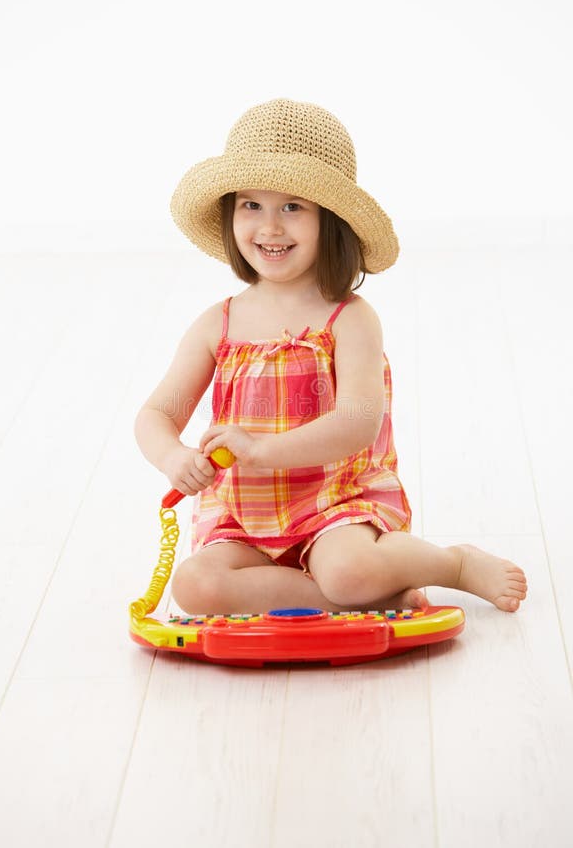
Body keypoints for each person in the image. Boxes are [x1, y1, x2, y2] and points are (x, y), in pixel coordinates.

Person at [134, 98, 528, 616]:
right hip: (243, 516)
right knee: (196, 586)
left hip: (333, 504)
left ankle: (449, 565)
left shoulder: (349, 319)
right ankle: (374, 597)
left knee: (348, 569)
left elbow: (357, 424)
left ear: (331, 220)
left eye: (292, 206)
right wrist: (173, 457)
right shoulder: (218, 324)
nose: (269, 227)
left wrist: (259, 451)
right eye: (251, 205)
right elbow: (158, 413)